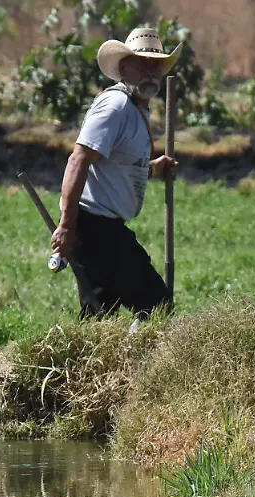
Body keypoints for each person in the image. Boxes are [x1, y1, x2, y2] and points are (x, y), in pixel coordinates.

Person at [52, 27, 182, 320]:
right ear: (124, 68)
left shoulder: (136, 109)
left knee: (99, 315)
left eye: (155, 64)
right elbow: (79, 160)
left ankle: (99, 365)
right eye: (141, 63)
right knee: (156, 306)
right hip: (95, 227)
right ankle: (140, 360)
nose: (150, 71)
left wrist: (151, 169)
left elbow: (115, 165)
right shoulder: (116, 106)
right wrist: (66, 225)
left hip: (102, 226)